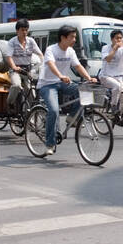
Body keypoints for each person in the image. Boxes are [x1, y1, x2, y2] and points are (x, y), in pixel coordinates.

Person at [37, 25, 96, 155]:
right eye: (72, 37)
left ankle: (72, 118)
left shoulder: (70, 51)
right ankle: (50, 144)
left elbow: (78, 66)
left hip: (63, 82)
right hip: (47, 85)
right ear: (63, 38)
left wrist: (89, 77)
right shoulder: (51, 49)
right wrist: (60, 76)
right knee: (53, 110)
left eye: (75, 37)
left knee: (84, 91)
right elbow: (51, 65)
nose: (74, 40)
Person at [6, 18, 43, 109]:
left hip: (27, 70)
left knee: (32, 92)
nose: (25, 32)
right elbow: (8, 57)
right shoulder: (12, 42)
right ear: (17, 31)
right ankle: (10, 103)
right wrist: (14, 67)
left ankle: (30, 114)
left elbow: (40, 54)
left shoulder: (31, 41)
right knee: (16, 85)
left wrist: (43, 64)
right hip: (16, 70)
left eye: (26, 30)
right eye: (22, 30)